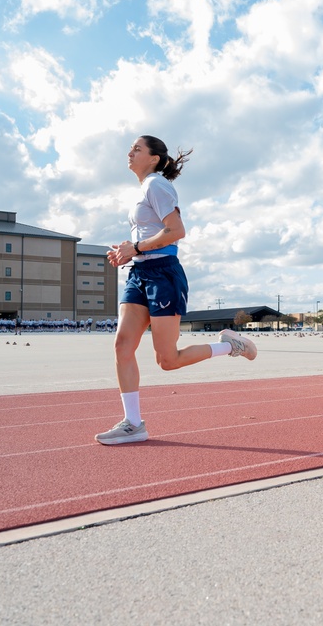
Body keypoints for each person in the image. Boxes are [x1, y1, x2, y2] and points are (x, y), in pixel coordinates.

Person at [96, 135, 257, 445]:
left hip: (163, 275)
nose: (129, 152)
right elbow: (147, 237)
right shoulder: (143, 190)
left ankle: (231, 345)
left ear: (154, 158)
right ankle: (133, 423)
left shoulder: (157, 185)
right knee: (122, 346)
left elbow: (176, 231)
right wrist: (127, 251)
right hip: (138, 273)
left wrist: (137, 246)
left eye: (137, 149)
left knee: (167, 360)